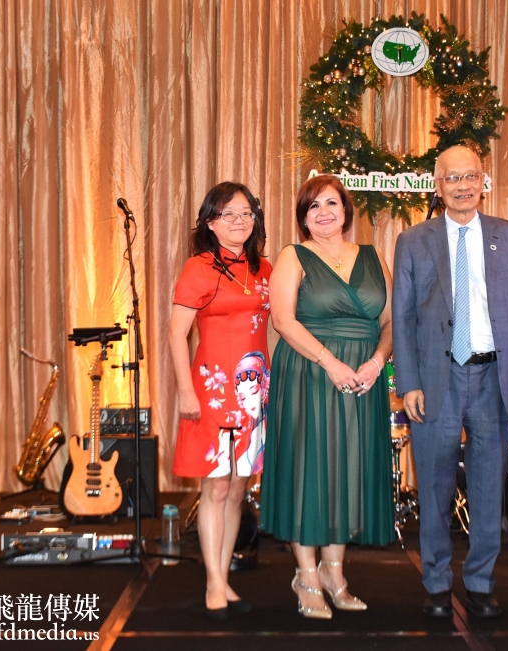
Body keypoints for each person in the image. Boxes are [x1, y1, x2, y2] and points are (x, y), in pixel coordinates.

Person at [392, 145, 508, 619]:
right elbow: (403, 317)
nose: (463, 186)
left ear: (483, 181)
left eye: (471, 176)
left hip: (494, 378)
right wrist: (408, 382)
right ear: (438, 185)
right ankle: (435, 584)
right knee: (434, 487)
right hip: (437, 379)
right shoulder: (414, 241)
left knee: (489, 488)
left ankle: (481, 584)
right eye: (452, 178)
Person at [261, 174, 395, 619]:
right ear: (303, 217)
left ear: (345, 211)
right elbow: (283, 320)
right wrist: (330, 362)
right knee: (307, 470)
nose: (324, 212)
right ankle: (306, 575)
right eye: (313, 206)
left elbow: (390, 322)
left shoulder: (373, 257)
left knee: (348, 471)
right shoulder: (293, 255)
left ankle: (334, 573)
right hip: (309, 373)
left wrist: (377, 362)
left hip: (363, 378)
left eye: (332, 203)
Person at [169, 182, 271, 620]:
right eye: (228, 214)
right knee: (216, 487)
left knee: (238, 489)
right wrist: (185, 391)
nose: (239, 221)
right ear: (210, 222)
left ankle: (224, 576)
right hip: (211, 390)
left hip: (254, 393)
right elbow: (176, 334)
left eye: (246, 213)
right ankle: (213, 580)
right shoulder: (200, 267)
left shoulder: (265, 269)